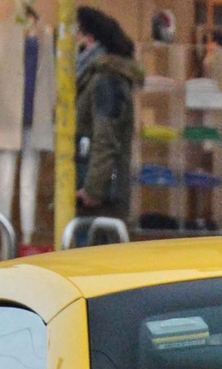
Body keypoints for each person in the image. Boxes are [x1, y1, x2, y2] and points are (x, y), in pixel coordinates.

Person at [73, 6, 141, 227]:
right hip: (95, 192)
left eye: (77, 34)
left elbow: (106, 137)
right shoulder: (98, 77)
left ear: (90, 39)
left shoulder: (107, 79)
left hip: (100, 201)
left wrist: (93, 190)